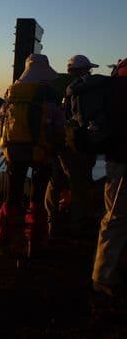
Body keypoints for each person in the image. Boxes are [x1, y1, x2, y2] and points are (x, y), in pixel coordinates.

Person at [0, 54, 64, 255]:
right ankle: (35, 243)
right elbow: (59, 127)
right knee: (37, 199)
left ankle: (2, 242)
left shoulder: (12, 94)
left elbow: (0, 122)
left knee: (12, 198)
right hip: (43, 153)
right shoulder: (50, 95)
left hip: (14, 153)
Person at [45, 55, 97, 237]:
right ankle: (77, 222)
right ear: (82, 70)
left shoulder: (55, 84)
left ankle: (51, 219)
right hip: (76, 143)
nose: (90, 72)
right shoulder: (82, 88)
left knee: (54, 180)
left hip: (56, 140)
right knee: (77, 183)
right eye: (88, 69)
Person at [92, 64, 127, 298]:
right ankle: (102, 276)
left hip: (116, 159)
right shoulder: (120, 88)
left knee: (116, 216)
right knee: (116, 216)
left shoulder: (113, 87)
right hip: (122, 159)